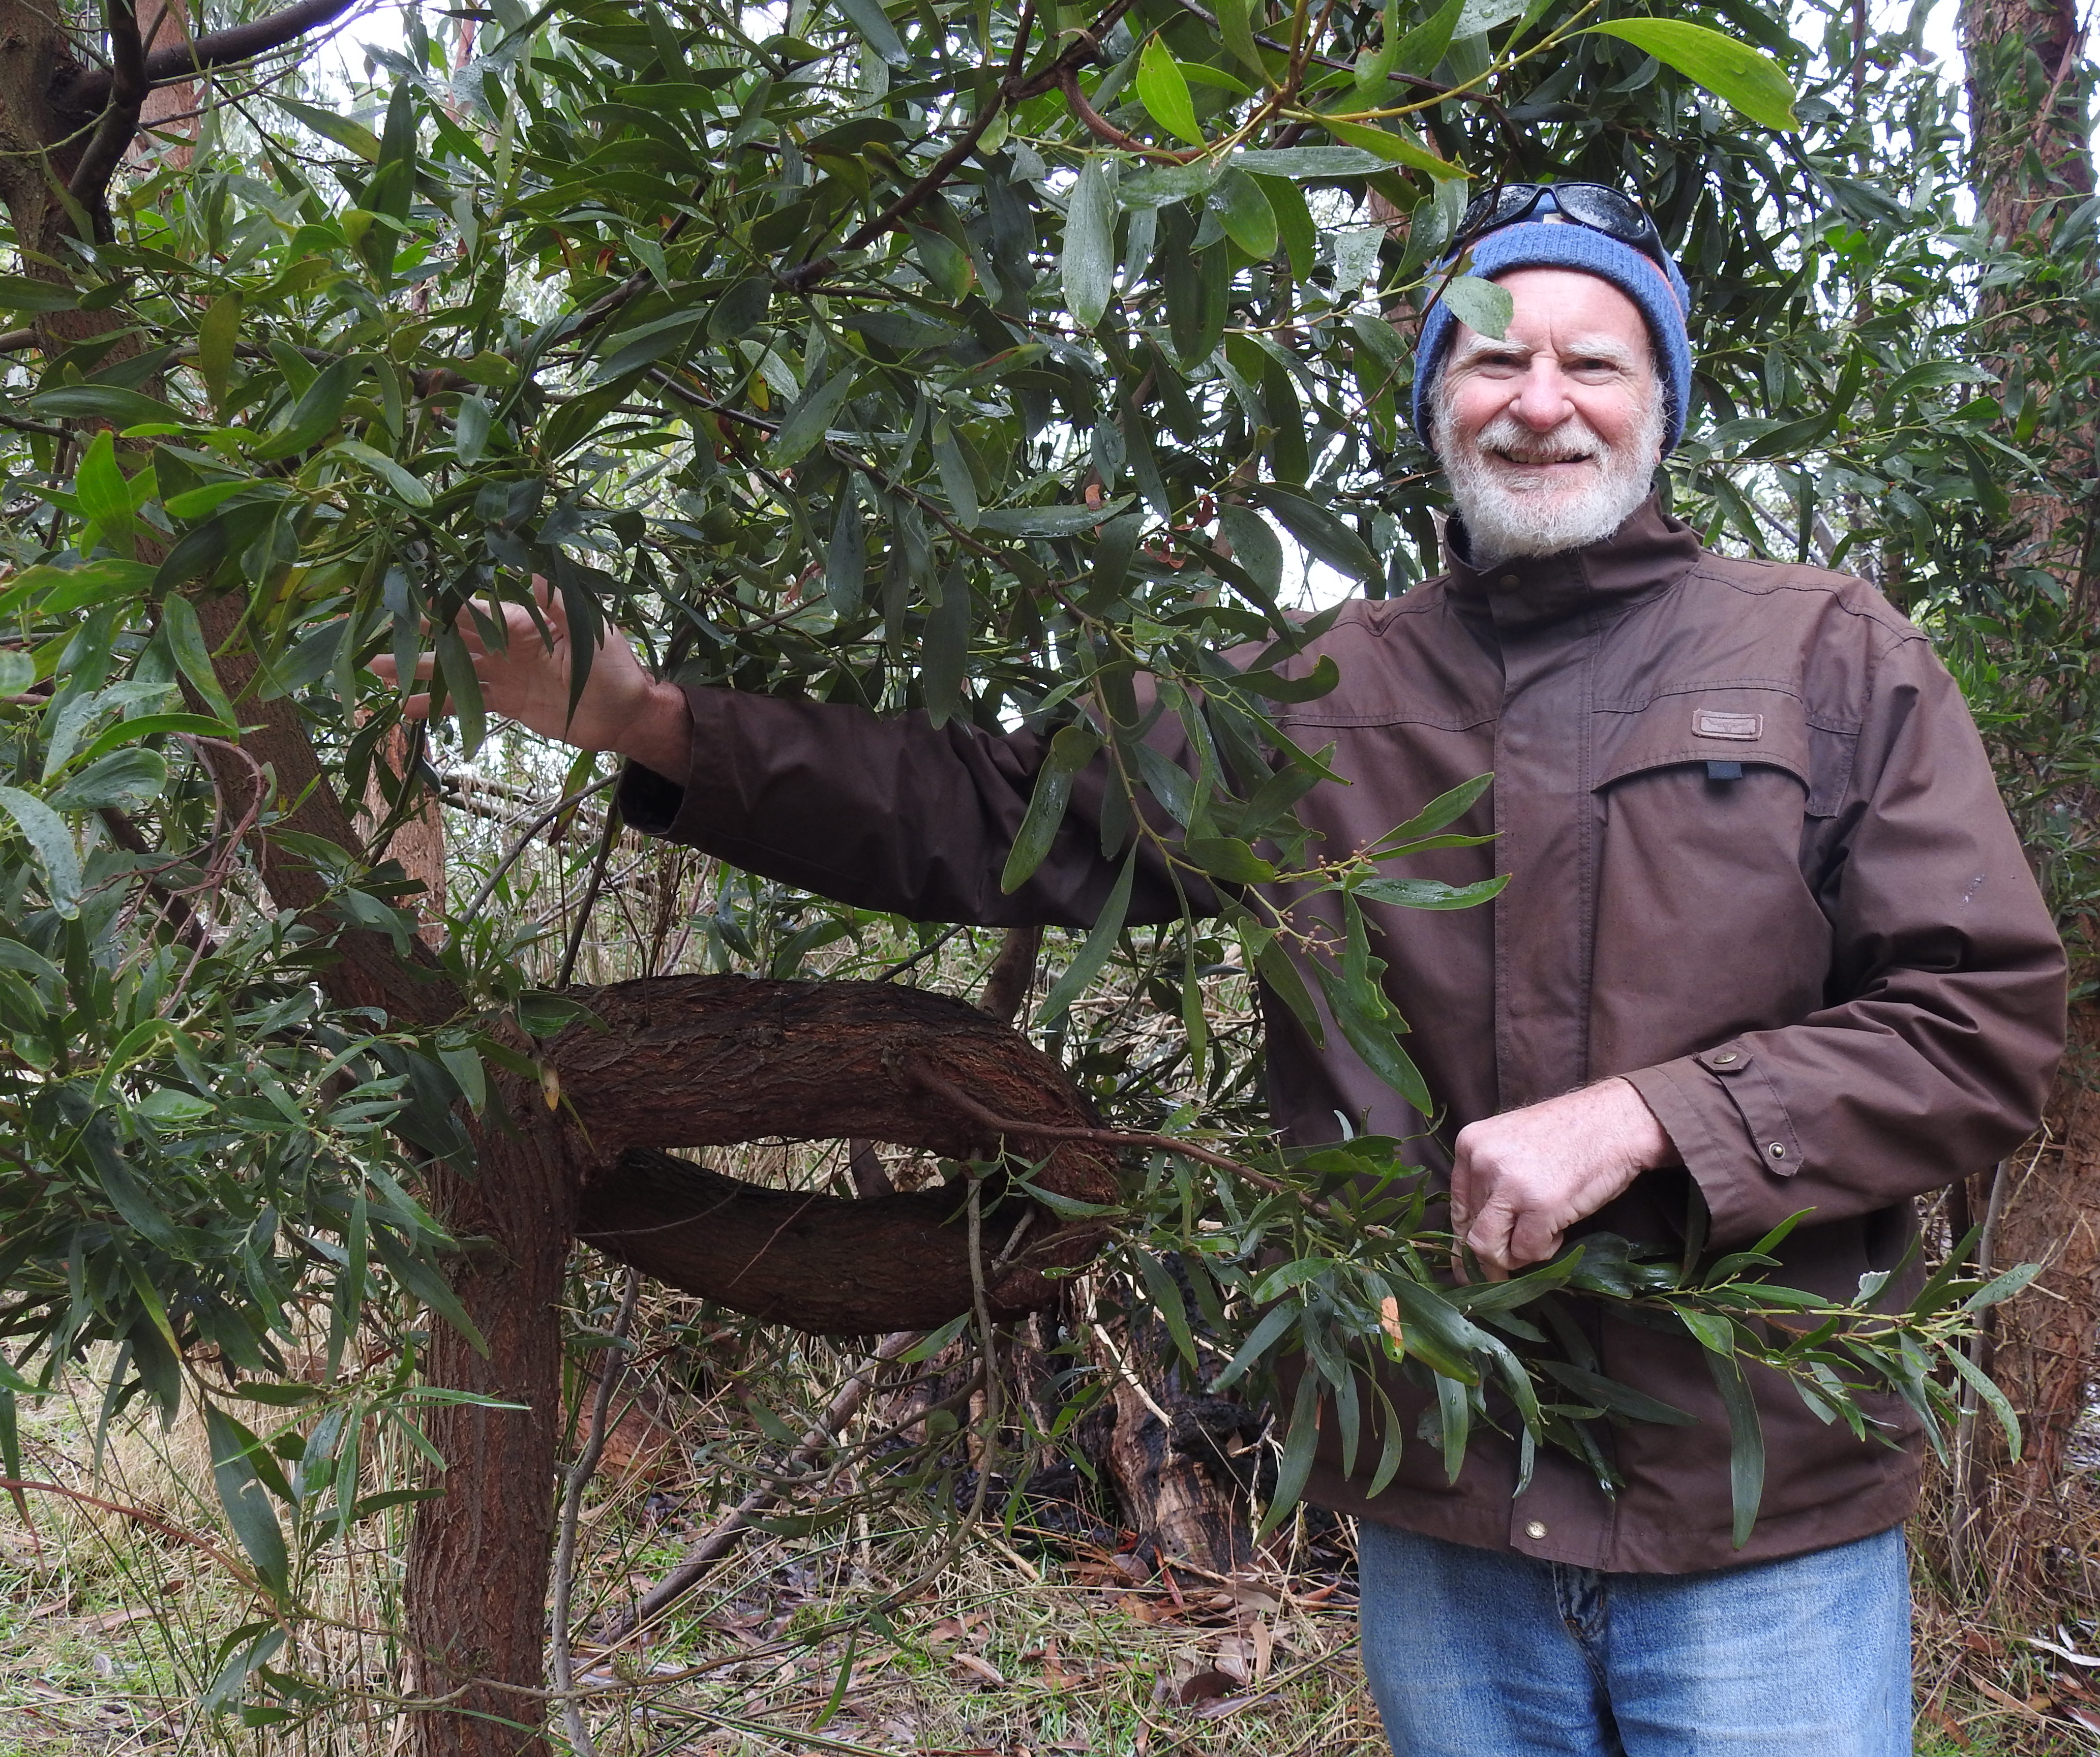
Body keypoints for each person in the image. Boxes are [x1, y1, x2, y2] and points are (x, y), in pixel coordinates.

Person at [378, 184, 2066, 1755]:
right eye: (1494, 357)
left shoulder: (1827, 653)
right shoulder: (1314, 691)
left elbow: (1981, 1027)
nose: (1539, 400)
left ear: (1663, 404)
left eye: (1593, 362)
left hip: (1761, 1528)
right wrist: (654, 724)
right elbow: (995, 816)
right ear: (1436, 398)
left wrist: (1648, 1117)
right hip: (1448, 1506)